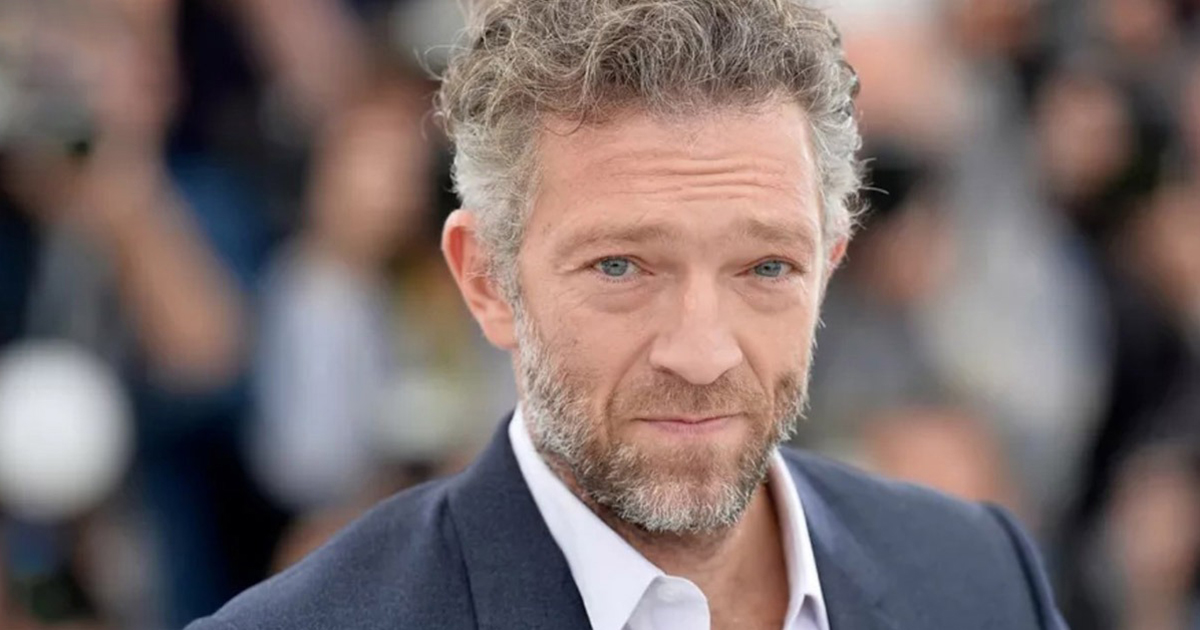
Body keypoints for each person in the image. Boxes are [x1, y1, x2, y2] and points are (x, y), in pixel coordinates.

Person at [187, 1, 1068, 628]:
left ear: (829, 265)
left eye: (766, 267)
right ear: (486, 280)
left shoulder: (978, 576)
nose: (701, 351)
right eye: (621, 267)